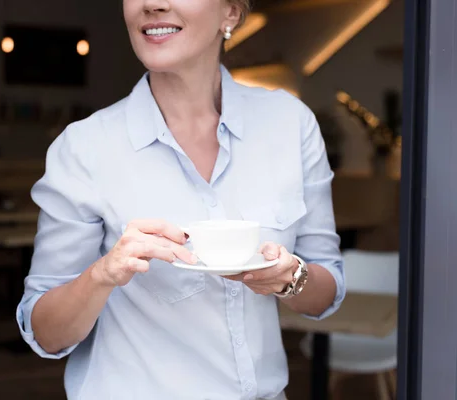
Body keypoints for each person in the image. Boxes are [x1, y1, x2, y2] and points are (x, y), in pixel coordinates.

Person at [17, 0, 345, 398]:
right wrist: (103, 274)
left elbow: (325, 291)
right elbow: (46, 334)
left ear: (231, 13)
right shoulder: (85, 148)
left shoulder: (290, 124)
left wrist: (290, 279)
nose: (153, 4)